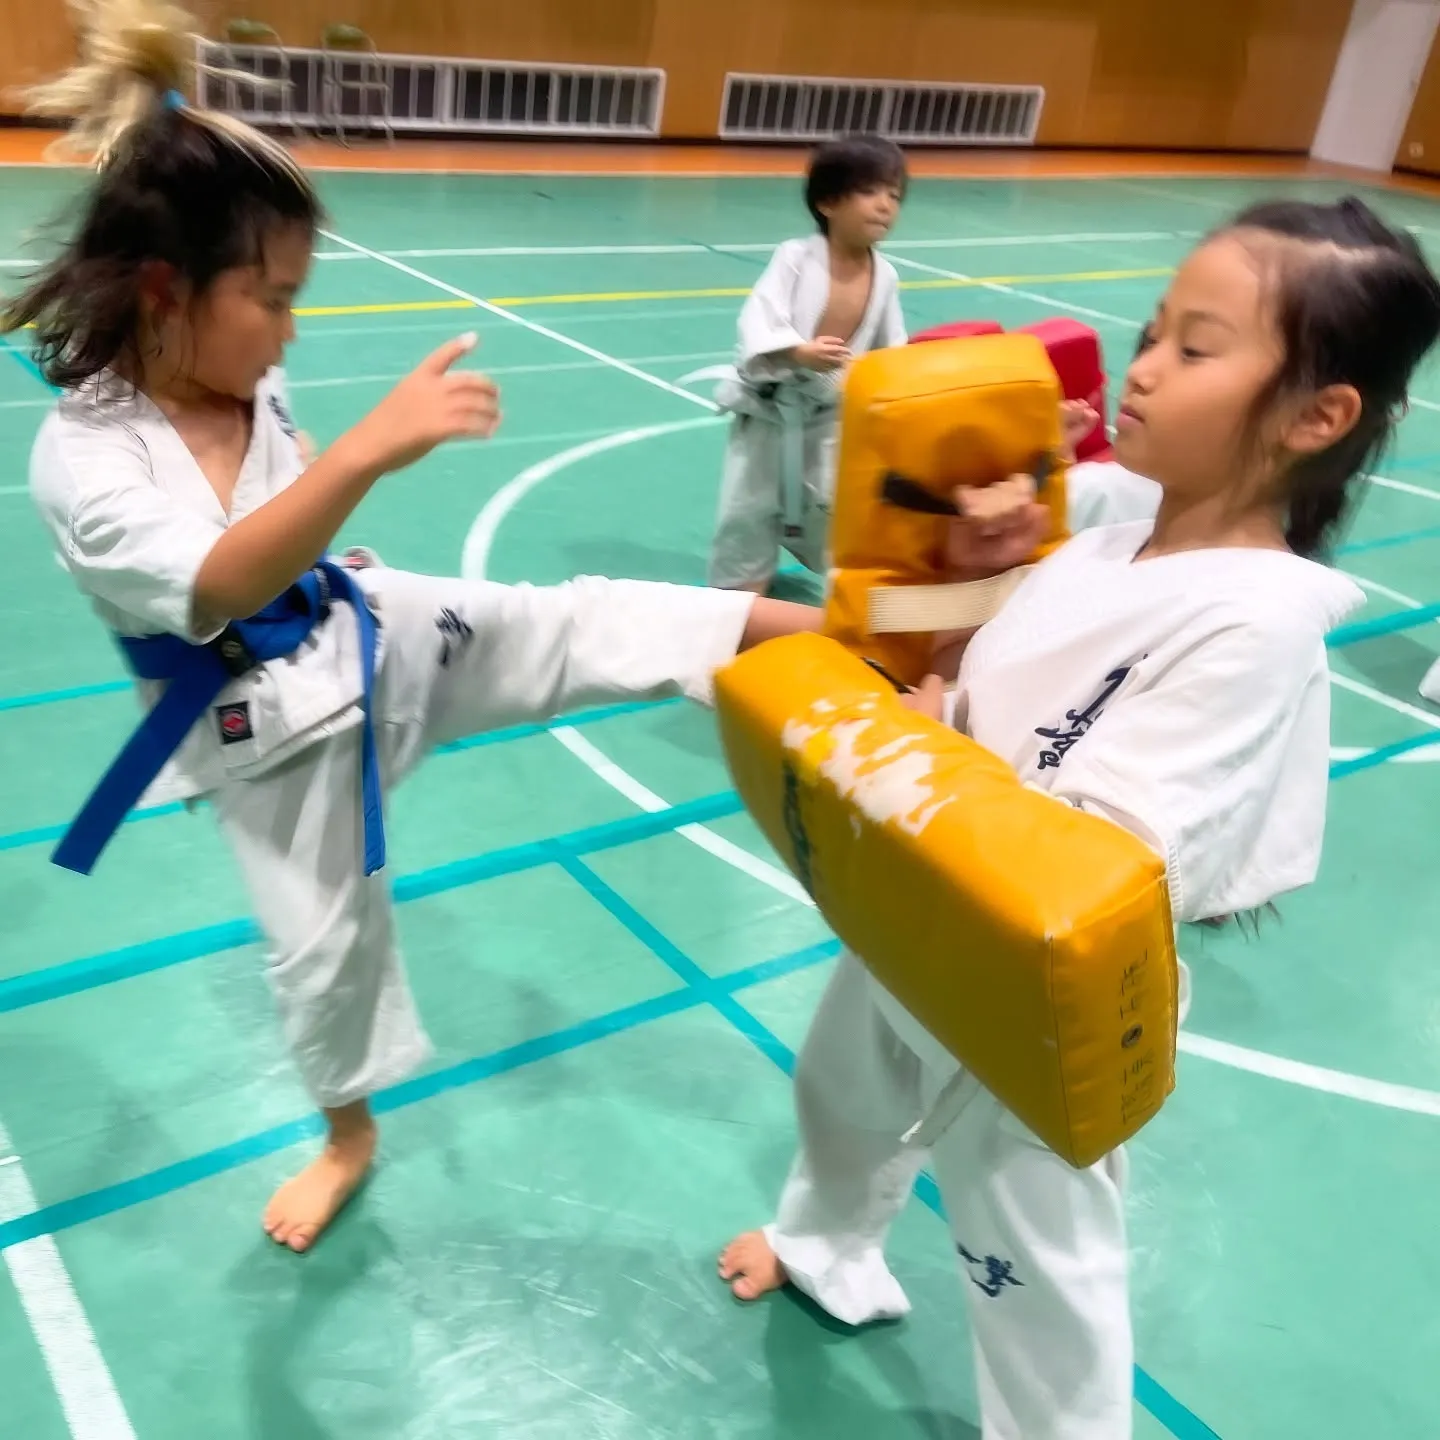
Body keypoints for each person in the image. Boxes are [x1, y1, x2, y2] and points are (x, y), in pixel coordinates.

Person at [13, 0, 820, 1254]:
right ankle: (351, 1137)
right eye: (271, 301)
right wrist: (368, 456)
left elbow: (276, 512)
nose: (289, 332)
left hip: (363, 630)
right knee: (323, 963)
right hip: (263, 742)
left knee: (570, 624)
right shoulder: (84, 459)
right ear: (166, 291)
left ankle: (811, 629)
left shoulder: (241, 369)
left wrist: (332, 518)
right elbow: (217, 580)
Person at [718, 196, 1440, 1438]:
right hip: (919, 905)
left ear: (1318, 417)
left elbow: (1098, 864)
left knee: (1032, 1263)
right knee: (841, 1089)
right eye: (1154, 332)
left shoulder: (1255, 622)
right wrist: (968, 573)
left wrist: (923, 731)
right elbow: (940, 647)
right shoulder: (1102, 539)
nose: (1144, 367)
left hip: (1031, 993)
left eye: (1196, 350)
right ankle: (827, 1243)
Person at [707, 134, 908, 593]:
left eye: (894, 195)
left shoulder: (886, 276)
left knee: (833, 501)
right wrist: (796, 352)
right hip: (772, 410)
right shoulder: (795, 257)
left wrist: (885, 386)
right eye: (870, 191)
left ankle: (845, 579)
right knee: (749, 504)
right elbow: (761, 315)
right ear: (828, 202)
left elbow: (890, 347)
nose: (885, 206)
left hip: (831, 414)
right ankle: (740, 589)